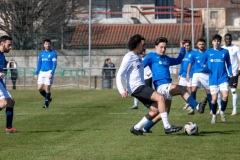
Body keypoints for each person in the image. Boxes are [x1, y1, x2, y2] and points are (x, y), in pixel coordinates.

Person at [116, 34, 182, 135]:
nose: (144, 47)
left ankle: (136, 128)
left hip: (140, 86)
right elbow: (120, 74)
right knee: (161, 98)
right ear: (137, 44)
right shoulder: (128, 57)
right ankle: (167, 127)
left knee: (156, 109)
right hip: (136, 87)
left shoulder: (138, 56)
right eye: (143, 44)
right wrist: (122, 90)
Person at [141, 37, 207, 133]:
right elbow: (141, 66)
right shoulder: (151, 56)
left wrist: (182, 48)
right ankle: (197, 106)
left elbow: (178, 60)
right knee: (181, 89)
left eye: (165, 47)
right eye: (161, 47)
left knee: (164, 112)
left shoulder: (166, 58)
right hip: (160, 86)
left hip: (167, 86)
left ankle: (145, 128)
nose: (163, 49)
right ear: (156, 47)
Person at [201, 34, 233, 124]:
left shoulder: (225, 52)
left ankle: (222, 111)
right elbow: (202, 62)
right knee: (214, 99)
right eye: (215, 41)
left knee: (225, 95)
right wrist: (203, 66)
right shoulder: (208, 52)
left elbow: (229, 63)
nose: (216, 43)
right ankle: (214, 116)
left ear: (220, 42)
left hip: (223, 77)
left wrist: (230, 73)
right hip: (213, 79)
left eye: (218, 41)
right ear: (212, 42)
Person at [186, 38, 212, 114]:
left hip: (205, 74)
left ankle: (211, 109)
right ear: (197, 45)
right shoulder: (194, 54)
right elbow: (190, 64)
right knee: (193, 90)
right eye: (200, 44)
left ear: (205, 45)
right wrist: (188, 74)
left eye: (202, 44)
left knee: (208, 91)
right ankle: (192, 108)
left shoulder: (208, 53)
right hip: (196, 74)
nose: (201, 45)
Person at [220, 33, 240, 116]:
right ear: (224, 39)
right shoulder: (222, 49)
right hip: (224, 73)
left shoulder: (236, 48)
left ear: (231, 39)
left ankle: (234, 110)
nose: (228, 40)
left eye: (229, 39)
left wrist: (239, 69)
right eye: (226, 39)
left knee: (233, 90)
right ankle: (221, 109)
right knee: (222, 91)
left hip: (234, 72)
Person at [0, 35, 17, 133]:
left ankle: (9, 128)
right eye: (9, 45)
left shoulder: (2, 55)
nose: (10, 47)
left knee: (10, 102)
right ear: (2, 44)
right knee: (4, 103)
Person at [34, 39, 57, 108]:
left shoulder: (53, 53)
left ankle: (46, 104)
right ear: (44, 45)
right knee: (39, 88)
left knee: (47, 88)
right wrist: (36, 73)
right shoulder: (42, 53)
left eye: (49, 44)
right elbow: (39, 64)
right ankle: (48, 98)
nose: (48, 45)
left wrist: (51, 73)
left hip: (49, 71)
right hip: (42, 72)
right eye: (46, 44)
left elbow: (54, 64)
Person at [178, 39, 194, 110]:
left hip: (190, 74)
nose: (186, 47)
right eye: (185, 46)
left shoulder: (193, 53)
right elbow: (181, 64)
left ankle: (192, 105)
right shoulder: (183, 53)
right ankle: (188, 102)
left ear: (190, 46)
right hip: (183, 75)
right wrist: (179, 74)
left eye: (188, 45)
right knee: (181, 90)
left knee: (190, 89)